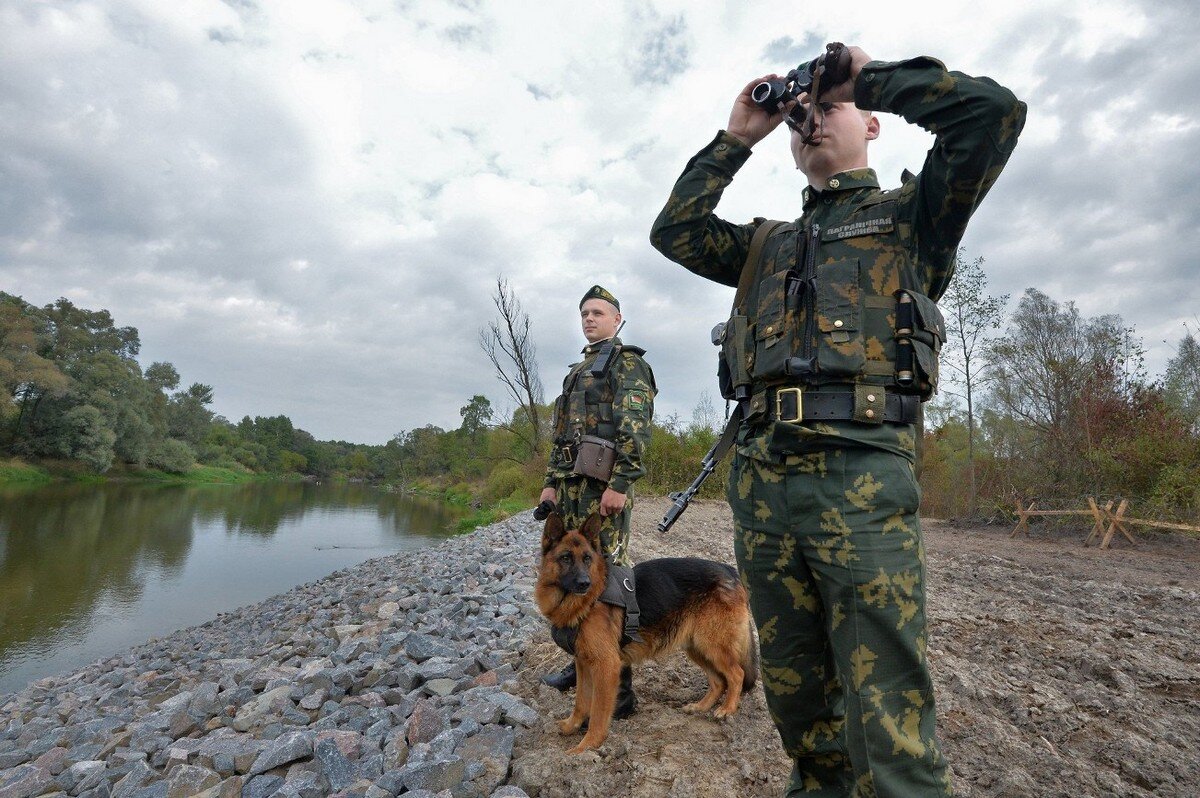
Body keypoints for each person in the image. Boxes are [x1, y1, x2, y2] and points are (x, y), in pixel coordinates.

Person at [649, 46, 1025, 796]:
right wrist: (737, 137)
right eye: (800, 117)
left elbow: (994, 115)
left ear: (874, 127)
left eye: (831, 109)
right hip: (763, 487)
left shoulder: (912, 219)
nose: (810, 121)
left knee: (887, 715)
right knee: (798, 704)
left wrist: (867, 76)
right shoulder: (767, 244)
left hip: (861, 479)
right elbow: (675, 231)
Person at [538, 285, 656, 715]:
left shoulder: (628, 365)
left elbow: (636, 430)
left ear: (618, 319)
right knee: (571, 579)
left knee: (607, 585)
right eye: (584, 313)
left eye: (598, 312)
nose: (589, 319)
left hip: (602, 492)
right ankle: (580, 660)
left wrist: (621, 484)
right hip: (570, 491)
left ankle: (619, 691)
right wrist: (551, 482)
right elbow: (562, 435)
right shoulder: (579, 369)